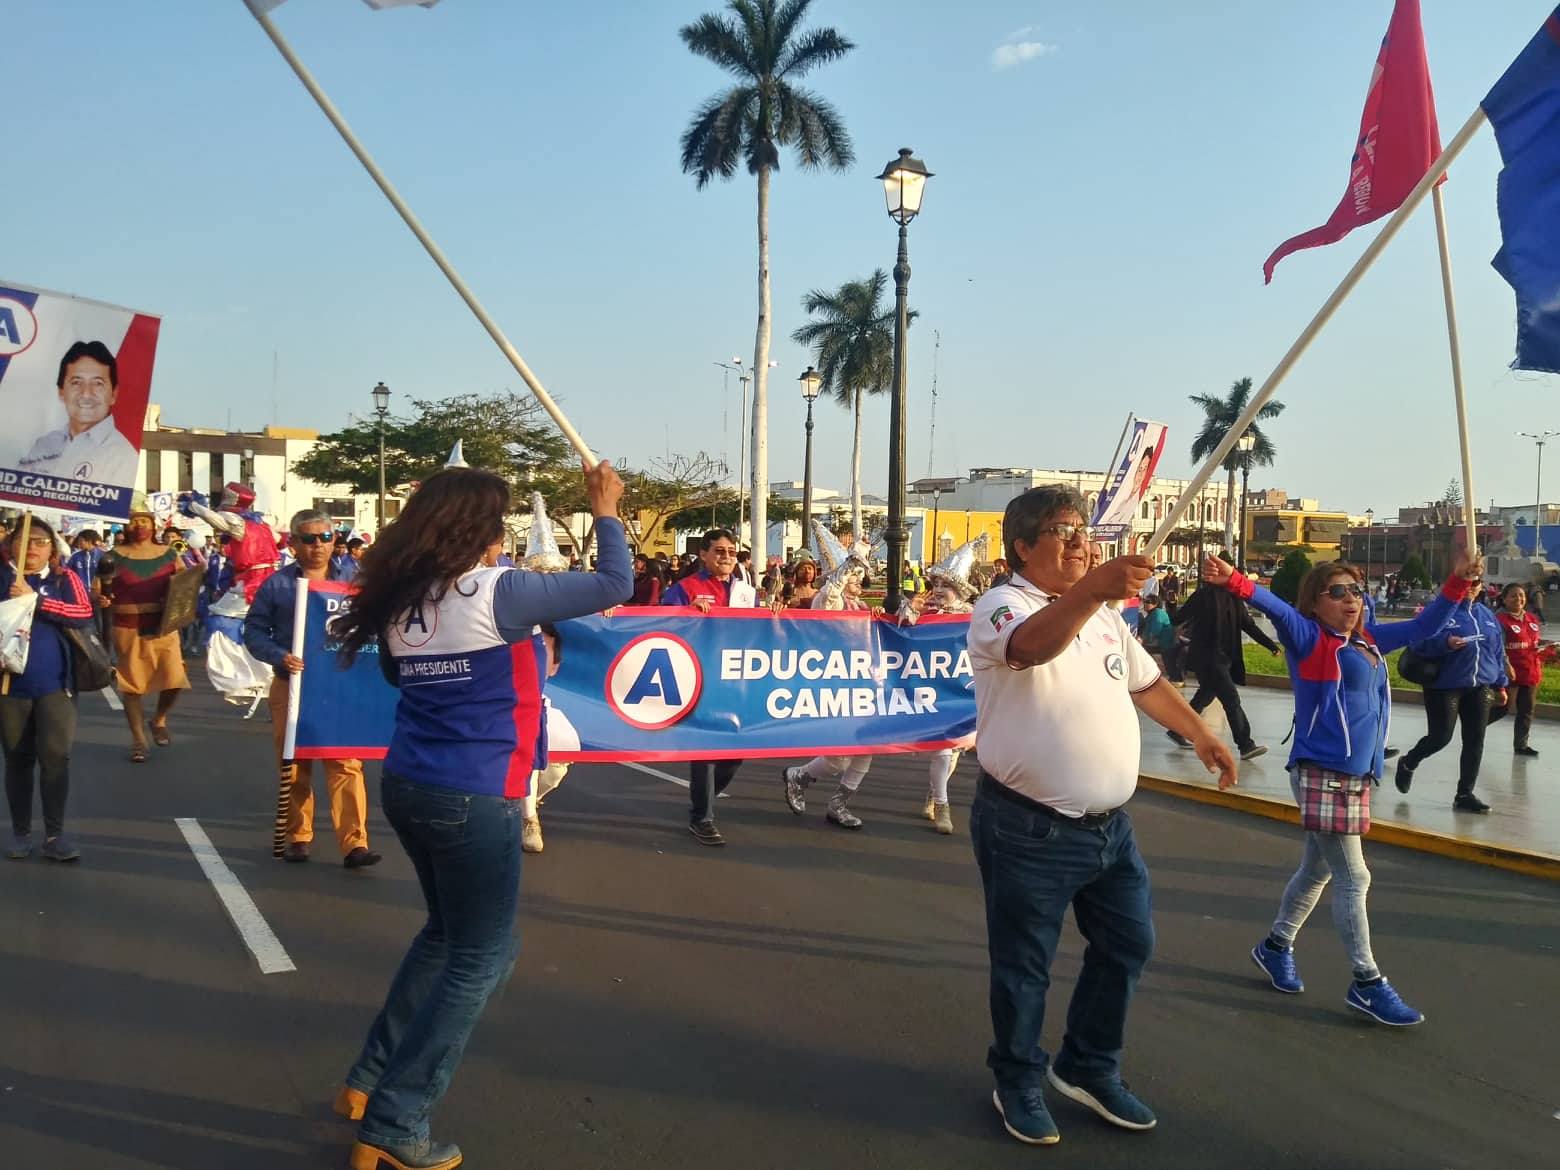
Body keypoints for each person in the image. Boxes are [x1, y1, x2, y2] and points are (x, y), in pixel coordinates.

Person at [328, 461, 630, 1170]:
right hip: (473, 793)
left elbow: (404, 677)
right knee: (482, 954)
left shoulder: (402, 601)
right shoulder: (497, 591)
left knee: (445, 937)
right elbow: (615, 585)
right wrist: (605, 508)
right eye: (497, 525)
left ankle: (368, 1083)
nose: (503, 536)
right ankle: (398, 1122)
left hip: (409, 785)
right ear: (478, 530)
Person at [967, 486, 1235, 1146]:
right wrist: (1093, 592)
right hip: (1028, 827)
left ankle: (1087, 1065)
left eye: (1084, 531)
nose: (1082, 543)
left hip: (1110, 830)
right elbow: (1030, 650)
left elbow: (1145, 683)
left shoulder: (1109, 618)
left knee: (1128, 944)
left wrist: (1200, 732)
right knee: (1025, 966)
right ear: (1024, 546)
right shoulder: (1003, 606)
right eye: (1063, 531)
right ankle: (1018, 1078)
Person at [1205, 553, 1478, 1027]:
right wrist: (1237, 582)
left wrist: (1456, 581)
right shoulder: (1310, 639)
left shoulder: (1370, 641)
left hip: (1354, 776)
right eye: (1337, 592)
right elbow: (1278, 610)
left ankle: (1274, 947)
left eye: (1356, 591)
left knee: (1317, 872)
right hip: (1322, 772)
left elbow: (1425, 625)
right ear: (1315, 603)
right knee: (1355, 876)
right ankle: (1366, 981)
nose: (1351, 600)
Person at [243, 510, 380, 869]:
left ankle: (355, 844)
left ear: (334, 540)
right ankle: (298, 836)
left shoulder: (356, 581)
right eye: (309, 539)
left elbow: (374, 627)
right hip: (291, 685)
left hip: (339, 688)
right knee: (294, 763)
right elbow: (254, 631)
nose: (318, 545)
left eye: (325, 537)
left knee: (346, 763)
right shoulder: (277, 584)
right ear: (293, 544)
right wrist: (280, 655)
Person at [2, 517, 94, 862]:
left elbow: (83, 613)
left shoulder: (62, 578)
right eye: (24, 541)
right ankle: (21, 832)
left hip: (55, 684)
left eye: (40, 541)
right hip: (10, 688)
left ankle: (55, 835)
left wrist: (36, 601)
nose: (31, 548)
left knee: (56, 758)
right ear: (11, 545)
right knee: (17, 759)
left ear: (52, 548)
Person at [662, 528, 758, 846]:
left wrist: (774, 617)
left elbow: (759, 632)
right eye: (719, 551)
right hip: (700, 680)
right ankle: (701, 817)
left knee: (736, 753)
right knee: (705, 751)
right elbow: (661, 625)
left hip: (736, 681)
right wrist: (688, 617)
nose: (726, 556)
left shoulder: (746, 592)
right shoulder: (685, 589)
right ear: (703, 554)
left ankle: (704, 799)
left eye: (731, 551)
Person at [1394, 570, 1507, 813]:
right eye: (1466, 582)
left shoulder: (1486, 615)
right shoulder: (1440, 613)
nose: (1471, 587)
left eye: (1475, 583)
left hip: (1479, 687)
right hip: (1445, 685)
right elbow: (1418, 643)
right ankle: (1410, 761)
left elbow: (1496, 652)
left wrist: (1500, 683)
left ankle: (1464, 794)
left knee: (1475, 740)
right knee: (1441, 737)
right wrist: (1445, 643)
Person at [780, 540, 874, 829]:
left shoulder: (860, 605)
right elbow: (829, 599)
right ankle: (799, 775)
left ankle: (839, 805)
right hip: (833, 683)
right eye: (854, 575)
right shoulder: (829, 598)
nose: (859, 579)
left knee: (868, 748)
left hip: (861, 683)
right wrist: (848, 565)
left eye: (860, 574)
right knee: (837, 759)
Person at [99, 506, 190, 763]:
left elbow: (184, 584)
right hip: (126, 626)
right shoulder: (111, 556)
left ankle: (159, 719)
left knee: (174, 679)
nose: (139, 525)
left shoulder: (170, 554)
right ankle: (138, 740)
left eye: (144, 520)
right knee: (132, 686)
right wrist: (101, 598)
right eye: (134, 521)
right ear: (126, 527)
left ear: (153, 525)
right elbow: (98, 589)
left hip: (163, 625)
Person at [1167, 572, 1279, 760]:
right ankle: (1246, 745)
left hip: (1224, 658)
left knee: (1204, 697)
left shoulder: (1234, 597)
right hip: (1207, 658)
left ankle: (1177, 730)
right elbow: (1177, 619)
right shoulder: (1203, 595)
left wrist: (1270, 645)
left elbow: (1248, 625)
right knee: (1231, 700)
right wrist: (1171, 604)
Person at [18, 341, 140, 486]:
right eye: (76, 382)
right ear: (61, 392)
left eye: (98, 383)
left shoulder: (123, 456)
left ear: (113, 394)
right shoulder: (44, 444)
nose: (86, 394)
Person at [1489, 583, 1543, 758]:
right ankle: (1475, 726)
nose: (1518, 599)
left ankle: (1521, 745)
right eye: (1513, 595)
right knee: (1503, 707)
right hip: (1509, 672)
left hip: (1530, 671)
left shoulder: (1531, 619)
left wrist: (1547, 649)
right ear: (1503, 599)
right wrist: (1505, 665)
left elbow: (1533, 642)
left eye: (1521, 595)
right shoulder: (1499, 620)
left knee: (1527, 710)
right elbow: (1497, 647)